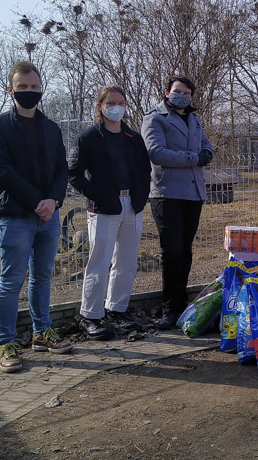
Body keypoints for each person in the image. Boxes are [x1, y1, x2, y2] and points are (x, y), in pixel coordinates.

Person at [0, 61, 73, 373]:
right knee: (11, 282)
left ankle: (41, 332)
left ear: (41, 89)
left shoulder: (51, 128)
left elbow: (62, 169)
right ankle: (6, 342)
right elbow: (1, 170)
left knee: (43, 276)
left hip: (49, 215)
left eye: (34, 87)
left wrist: (54, 201)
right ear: (11, 90)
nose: (29, 92)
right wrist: (38, 201)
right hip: (16, 216)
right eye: (22, 87)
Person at [68, 85, 151, 339]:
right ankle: (91, 315)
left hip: (132, 207)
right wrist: (98, 195)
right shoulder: (88, 138)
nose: (117, 107)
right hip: (103, 208)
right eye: (111, 102)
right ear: (100, 106)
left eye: (121, 102)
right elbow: (73, 173)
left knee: (126, 261)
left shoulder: (133, 138)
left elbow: (145, 171)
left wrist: (140, 199)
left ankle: (117, 310)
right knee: (99, 261)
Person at [142, 76, 214, 329]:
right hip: (167, 194)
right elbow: (156, 153)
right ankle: (170, 309)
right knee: (171, 253)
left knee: (185, 251)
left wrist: (208, 152)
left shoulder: (194, 119)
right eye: (176, 91)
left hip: (194, 193)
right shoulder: (155, 118)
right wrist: (195, 158)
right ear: (166, 92)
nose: (181, 95)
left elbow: (206, 144)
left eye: (186, 92)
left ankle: (182, 303)